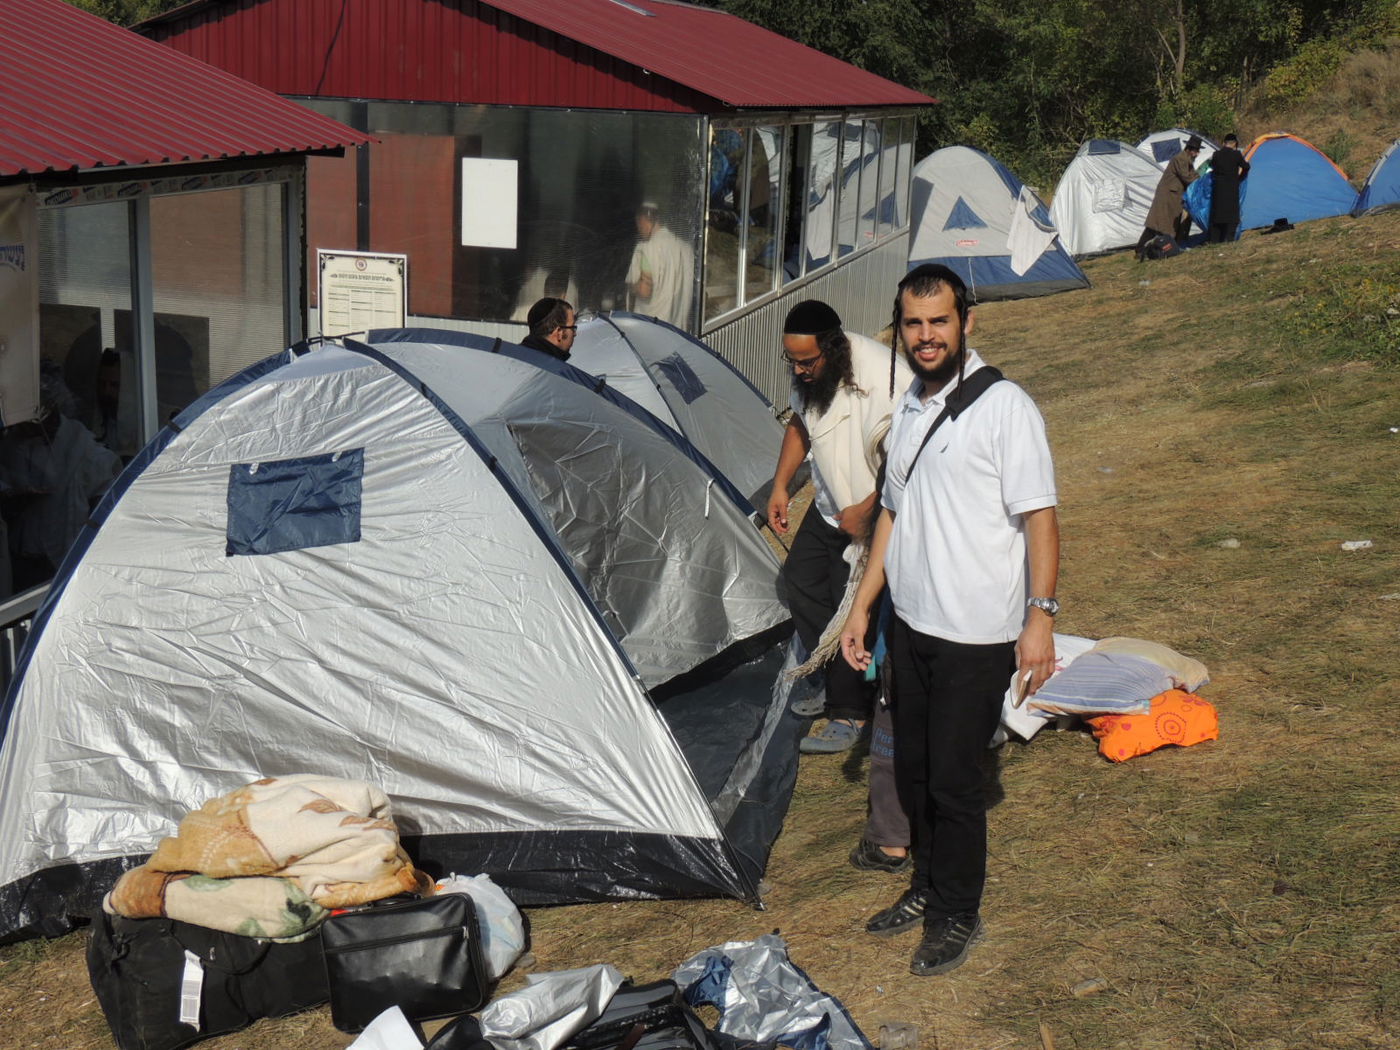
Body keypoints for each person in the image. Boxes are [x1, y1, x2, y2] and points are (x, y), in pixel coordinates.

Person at [839, 263, 1059, 977]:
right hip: (912, 625)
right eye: (914, 323)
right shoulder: (910, 404)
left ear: (967, 322)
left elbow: (1040, 518)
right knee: (916, 767)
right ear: (899, 329)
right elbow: (892, 513)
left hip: (976, 635)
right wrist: (863, 606)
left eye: (939, 321)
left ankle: (958, 911)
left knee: (956, 783)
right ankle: (927, 886)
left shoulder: (1006, 408)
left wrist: (1040, 618)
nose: (926, 336)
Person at [768, 299, 911, 755]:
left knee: (851, 606)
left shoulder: (887, 377)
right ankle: (833, 679)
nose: (799, 371)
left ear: (833, 347)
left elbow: (907, 456)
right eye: (792, 361)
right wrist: (781, 485)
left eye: (806, 362)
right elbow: (801, 422)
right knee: (800, 581)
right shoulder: (813, 376)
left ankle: (849, 712)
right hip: (830, 503)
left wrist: (868, 509)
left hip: (877, 510)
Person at [626, 203, 694, 328]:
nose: (639, 230)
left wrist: (631, 287)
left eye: (638, 225)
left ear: (643, 220)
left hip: (650, 328)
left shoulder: (646, 249)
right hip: (676, 329)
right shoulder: (685, 248)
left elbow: (644, 290)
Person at [1136, 134, 1202, 259]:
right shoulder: (1180, 159)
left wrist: (1201, 179)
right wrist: (1199, 181)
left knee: (1167, 224)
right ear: (1190, 149)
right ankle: (1140, 249)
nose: (1197, 154)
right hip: (1167, 195)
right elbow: (1186, 177)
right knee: (1157, 224)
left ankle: (1171, 247)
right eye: (1196, 151)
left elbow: (1193, 174)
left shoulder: (1187, 160)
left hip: (1174, 196)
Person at [1208, 133, 1251, 243]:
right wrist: (1240, 178)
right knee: (1232, 214)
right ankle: (1229, 239)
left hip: (1218, 188)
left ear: (1224, 143)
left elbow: (1212, 165)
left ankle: (1215, 240)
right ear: (1235, 144)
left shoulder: (1216, 154)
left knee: (1218, 215)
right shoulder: (1236, 154)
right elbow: (1246, 166)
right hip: (1232, 188)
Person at [519, 297, 577, 362]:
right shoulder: (552, 366)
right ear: (559, 332)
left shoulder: (513, 357)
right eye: (572, 328)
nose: (575, 334)